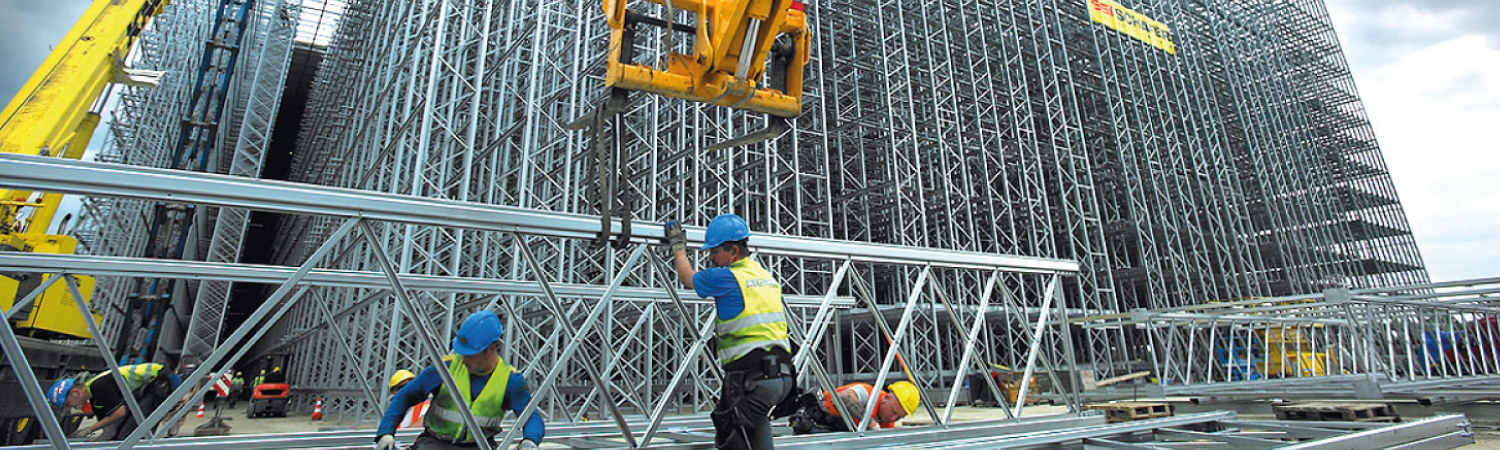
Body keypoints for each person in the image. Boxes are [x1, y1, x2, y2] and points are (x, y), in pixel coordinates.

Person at [664, 213, 795, 450]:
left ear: (733, 251)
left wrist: (678, 248)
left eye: (714, 251)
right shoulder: (765, 276)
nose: (711, 257)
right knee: (756, 426)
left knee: (734, 439)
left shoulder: (727, 277)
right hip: (782, 377)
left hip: (752, 379)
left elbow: (686, 277)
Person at [374, 311, 544, 450]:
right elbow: (406, 395)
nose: (463, 360)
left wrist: (529, 441)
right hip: (435, 444)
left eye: (470, 355)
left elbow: (530, 416)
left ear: (490, 349)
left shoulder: (510, 380)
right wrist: (386, 432)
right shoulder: (446, 368)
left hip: (480, 445)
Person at [47, 363, 183, 442]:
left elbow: (118, 414)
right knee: (122, 435)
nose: (71, 407)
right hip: (152, 382)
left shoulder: (98, 387)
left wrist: (89, 430)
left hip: (159, 381)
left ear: (75, 393)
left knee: (131, 435)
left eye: (68, 404)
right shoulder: (93, 388)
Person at [788, 381, 919, 434]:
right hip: (816, 422)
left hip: (837, 431)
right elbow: (845, 398)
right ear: (885, 399)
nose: (893, 418)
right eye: (893, 411)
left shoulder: (887, 423)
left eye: (898, 417)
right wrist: (870, 423)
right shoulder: (867, 393)